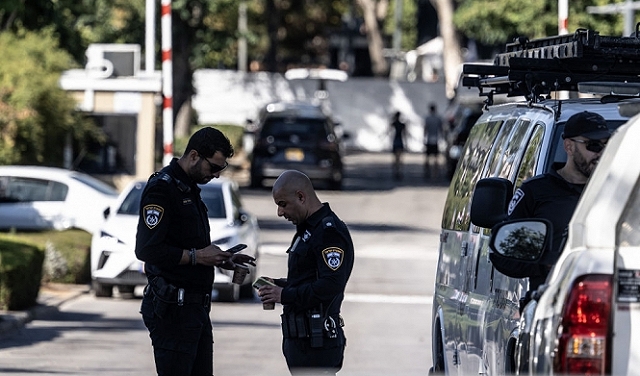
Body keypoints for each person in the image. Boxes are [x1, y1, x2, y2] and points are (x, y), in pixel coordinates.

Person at [135, 127, 256, 376]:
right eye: (213, 167)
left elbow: (193, 245)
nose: (216, 175)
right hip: (173, 308)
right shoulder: (163, 189)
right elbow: (147, 249)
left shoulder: (188, 188)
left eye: (220, 170)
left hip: (195, 309)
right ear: (193, 156)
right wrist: (197, 257)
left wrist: (223, 258)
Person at [494, 111, 612, 302]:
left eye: (608, 145)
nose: (600, 153)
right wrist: (545, 264)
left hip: (615, 308)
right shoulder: (536, 192)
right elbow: (505, 255)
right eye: (594, 145)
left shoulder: (619, 191)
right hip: (550, 308)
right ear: (569, 146)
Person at [257, 170, 355, 375]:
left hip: (317, 346)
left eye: (283, 204)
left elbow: (331, 284)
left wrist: (284, 295)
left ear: (301, 197)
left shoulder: (328, 232)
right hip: (303, 345)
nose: (280, 213)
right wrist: (279, 284)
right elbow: (308, 279)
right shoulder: (308, 229)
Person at [423, 103, 444, 178]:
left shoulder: (427, 118)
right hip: (435, 139)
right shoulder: (438, 118)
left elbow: (425, 129)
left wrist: (424, 137)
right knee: (436, 157)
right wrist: (442, 137)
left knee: (427, 157)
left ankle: (427, 171)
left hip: (429, 139)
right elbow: (441, 129)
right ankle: (435, 173)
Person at [389, 111, 407, 180]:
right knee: (400, 158)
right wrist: (406, 143)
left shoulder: (394, 123)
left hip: (395, 141)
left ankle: (395, 172)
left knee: (395, 158)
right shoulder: (402, 124)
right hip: (400, 141)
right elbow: (405, 134)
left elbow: (389, 131)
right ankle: (399, 172)